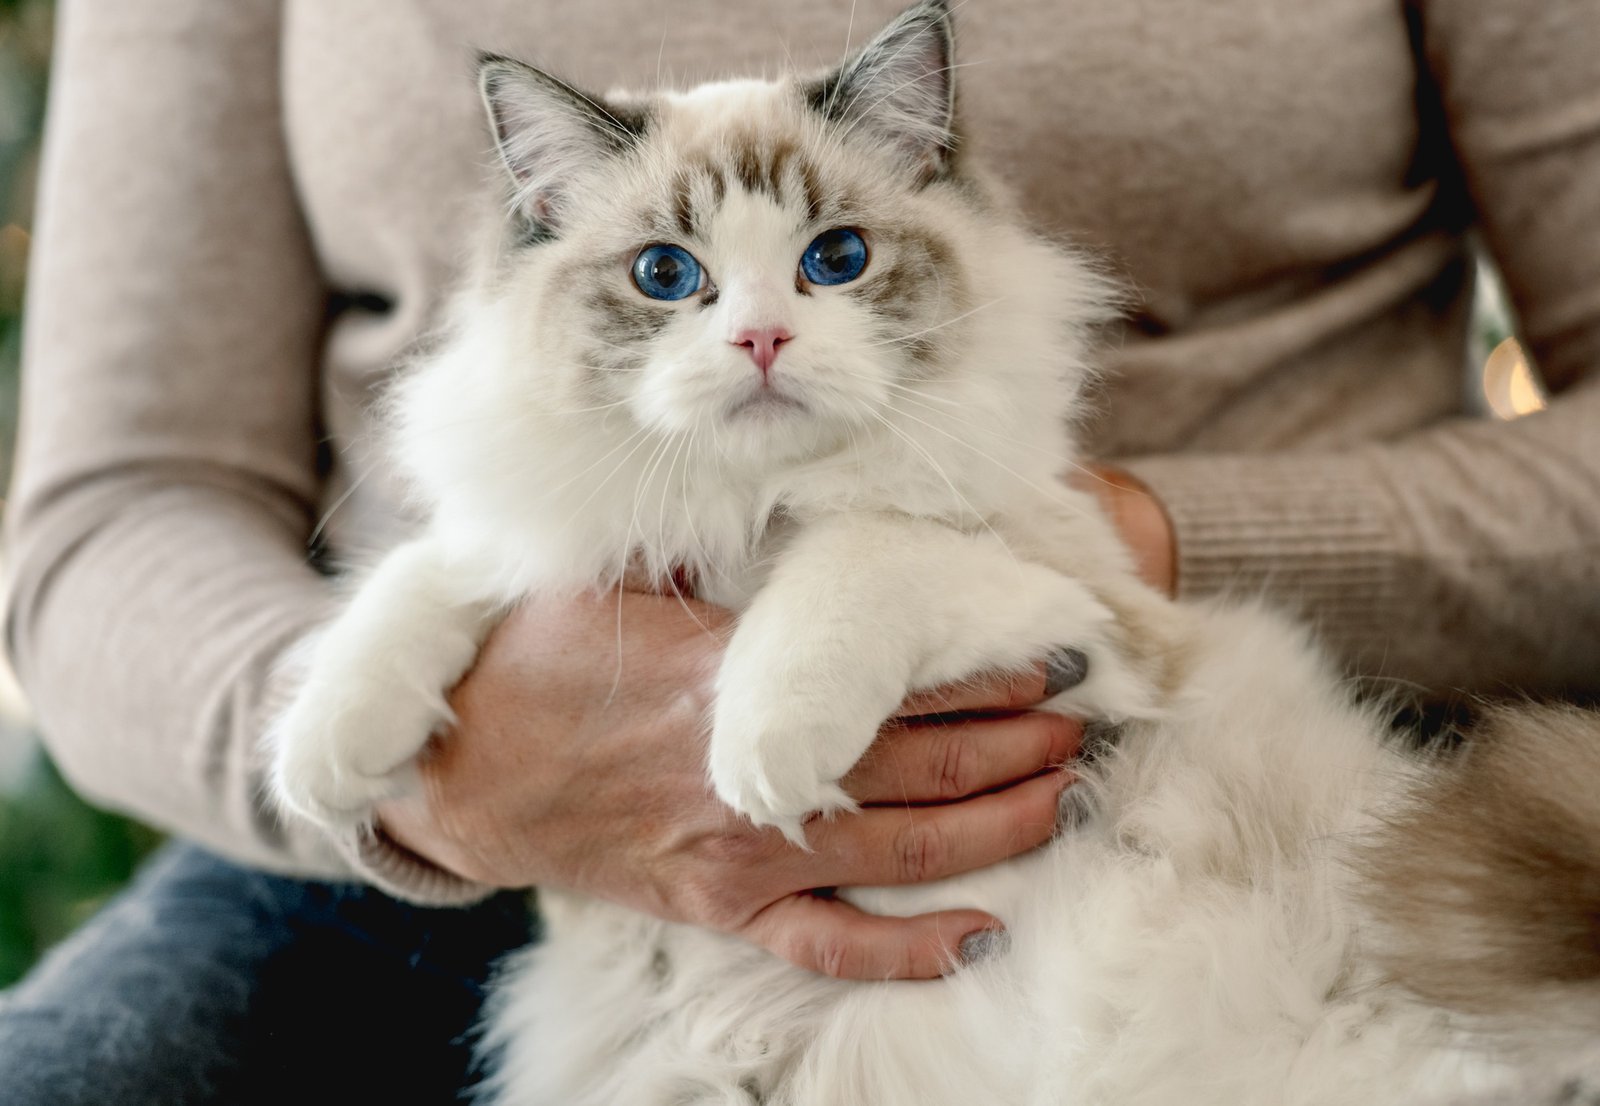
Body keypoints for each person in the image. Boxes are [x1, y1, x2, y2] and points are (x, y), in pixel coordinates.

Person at [2, 0, 1596, 1102]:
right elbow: (105, 514)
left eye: (830, 261)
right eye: (677, 281)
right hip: (437, 866)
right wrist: (441, 770)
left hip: (1207, 783)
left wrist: (1133, 539)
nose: (757, 331)